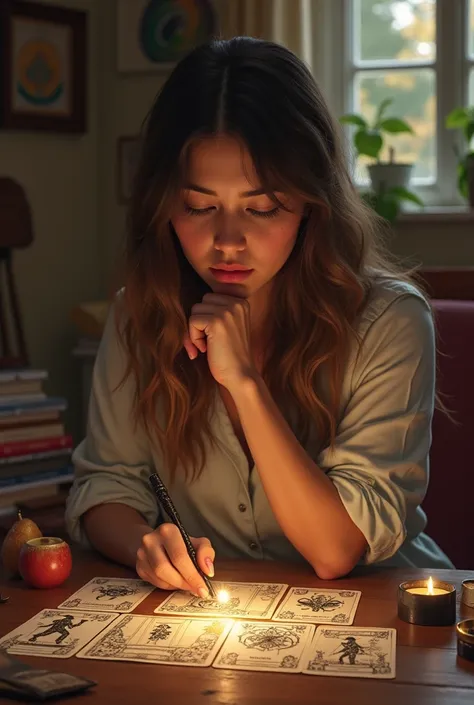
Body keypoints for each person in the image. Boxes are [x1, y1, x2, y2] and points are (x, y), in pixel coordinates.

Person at [65, 36, 453, 600]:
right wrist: (144, 546)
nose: (227, 242)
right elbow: (106, 485)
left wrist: (245, 384)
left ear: (311, 206)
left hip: (389, 614)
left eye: (262, 208)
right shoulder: (138, 314)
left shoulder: (389, 322)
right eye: (198, 207)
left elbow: (335, 550)